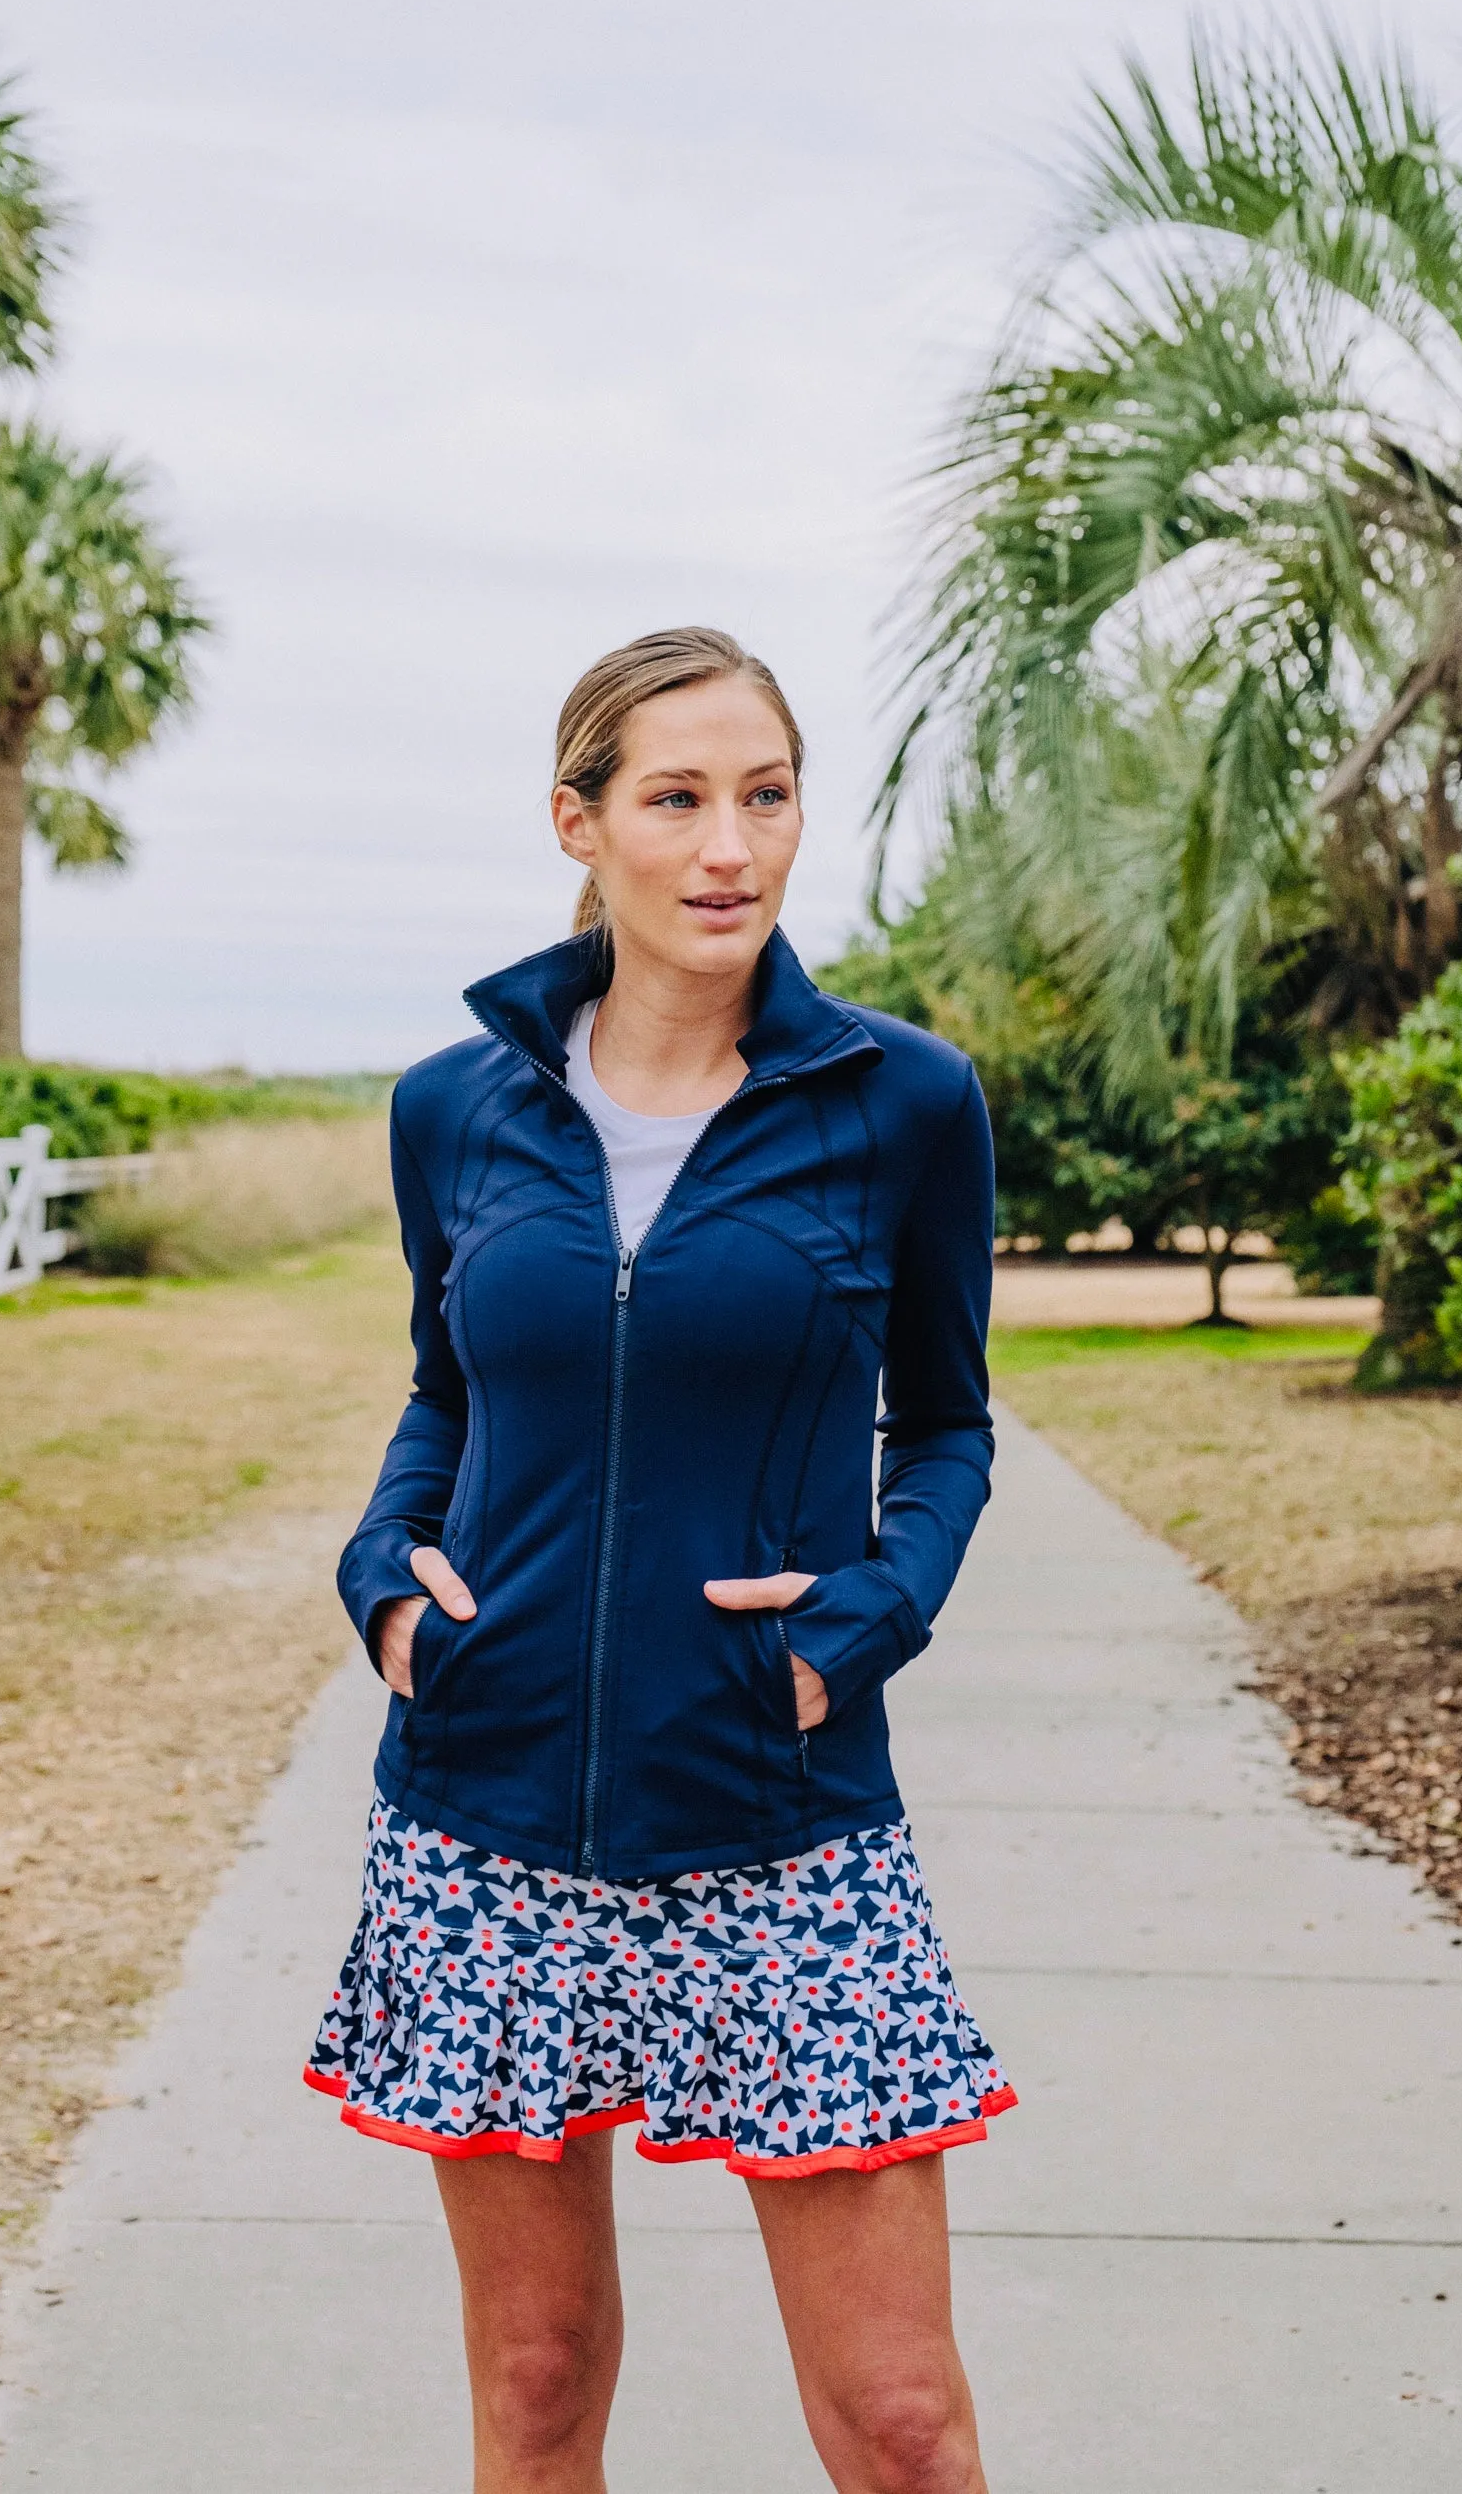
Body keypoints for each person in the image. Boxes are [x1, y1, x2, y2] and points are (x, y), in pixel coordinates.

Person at [306, 627, 1011, 2494]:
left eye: (765, 797)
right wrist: (387, 1567)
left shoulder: (902, 1104)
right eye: (678, 799)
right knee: (537, 2384)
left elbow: (945, 1426)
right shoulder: (452, 1107)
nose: (730, 848)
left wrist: (873, 1610)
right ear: (579, 825)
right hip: (489, 1819)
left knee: (901, 2421)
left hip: (776, 1812)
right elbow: (448, 1391)